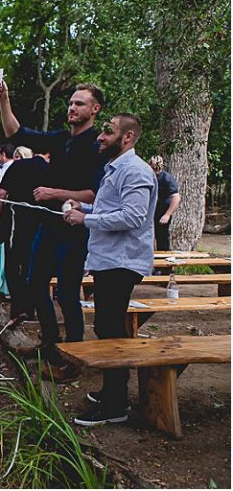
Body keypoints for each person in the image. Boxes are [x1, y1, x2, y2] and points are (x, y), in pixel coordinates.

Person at [0, 80, 107, 382]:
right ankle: (50, 343)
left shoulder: (97, 145)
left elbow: (95, 194)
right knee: (34, 284)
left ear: (95, 109)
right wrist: (4, 100)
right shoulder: (60, 139)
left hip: (75, 227)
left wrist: (54, 193)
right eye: (70, 103)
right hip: (48, 225)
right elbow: (16, 133)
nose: (72, 108)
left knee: (68, 293)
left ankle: (73, 359)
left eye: (79, 103)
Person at [63, 114, 157, 426]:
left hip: (122, 261)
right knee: (107, 326)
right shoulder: (115, 169)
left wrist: (86, 220)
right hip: (108, 260)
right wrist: (85, 208)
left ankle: (116, 404)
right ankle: (112, 392)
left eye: (108, 132)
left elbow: (133, 217)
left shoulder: (135, 171)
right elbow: (112, 209)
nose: (100, 137)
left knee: (111, 327)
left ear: (127, 137)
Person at [0, 148, 51, 326]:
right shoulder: (49, 169)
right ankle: (31, 309)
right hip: (40, 221)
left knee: (13, 265)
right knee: (31, 265)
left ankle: (19, 308)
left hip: (17, 219)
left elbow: (2, 193)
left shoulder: (18, 166)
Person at [148, 155, 180, 251]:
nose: (155, 170)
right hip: (150, 210)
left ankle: (164, 259)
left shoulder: (167, 179)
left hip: (162, 211)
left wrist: (167, 214)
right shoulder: (147, 176)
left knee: (162, 238)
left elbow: (176, 197)